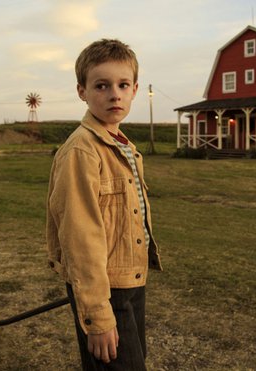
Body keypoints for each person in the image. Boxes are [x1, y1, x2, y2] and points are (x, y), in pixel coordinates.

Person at [46, 39, 162, 370]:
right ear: (82, 90)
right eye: (102, 85)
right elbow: (80, 237)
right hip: (104, 287)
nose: (115, 94)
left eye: (123, 84)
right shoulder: (82, 151)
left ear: (135, 89)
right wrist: (97, 316)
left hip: (129, 281)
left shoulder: (123, 145)